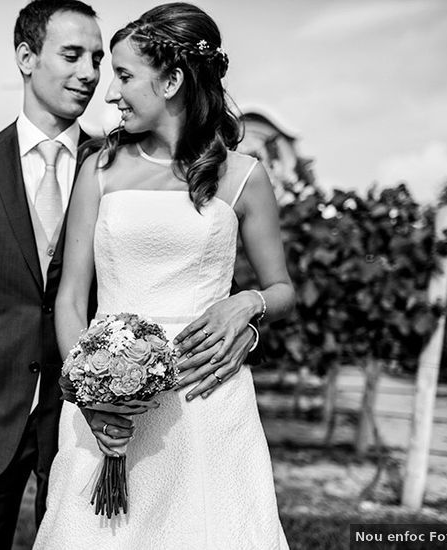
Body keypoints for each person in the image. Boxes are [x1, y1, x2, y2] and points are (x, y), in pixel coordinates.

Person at [0, 2, 258, 549]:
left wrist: (247, 317)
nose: (91, 74)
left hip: (97, 419)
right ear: (26, 57)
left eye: (98, 58)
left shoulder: (116, 164)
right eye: (72, 56)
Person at [34, 3, 295, 549]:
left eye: (124, 76)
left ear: (173, 80)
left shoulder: (244, 176)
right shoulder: (99, 171)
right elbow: (71, 299)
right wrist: (91, 395)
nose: (109, 93)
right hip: (105, 406)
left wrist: (247, 304)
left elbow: (282, 288)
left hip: (206, 399)